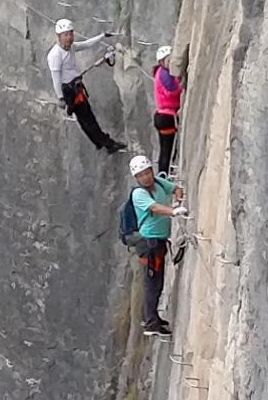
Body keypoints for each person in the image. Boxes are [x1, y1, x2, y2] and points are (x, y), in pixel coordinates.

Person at [46, 19, 119, 156]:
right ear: (59, 36)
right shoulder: (55, 55)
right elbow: (56, 78)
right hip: (69, 91)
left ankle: (100, 142)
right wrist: (60, 97)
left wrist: (102, 36)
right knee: (87, 118)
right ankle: (107, 144)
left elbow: (86, 44)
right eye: (66, 35)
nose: (69, 37)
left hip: (75, 86)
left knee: (85, 118)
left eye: (70, 34)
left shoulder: (71, 47)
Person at [124, 157, 178, 335]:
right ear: (136, 177)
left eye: (147, 172)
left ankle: (153, 318)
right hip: (150, 242)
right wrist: (173, 211)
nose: (146, 177)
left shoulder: (159, 183)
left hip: (159, 240)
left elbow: (176, 188)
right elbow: (154, 208)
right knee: (152, 282)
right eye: (141, 175)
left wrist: (178, 200)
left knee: (157, 280)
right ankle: (150, 322)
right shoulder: (138, 194)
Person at [151, 46, 184, 171]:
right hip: (167, 117)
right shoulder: (165, 74)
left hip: (163, 116)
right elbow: (172, 90)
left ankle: (163, 174)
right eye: (168, 60)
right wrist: (184, 85)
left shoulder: (162, 72)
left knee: (166, 150)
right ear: (161, 62)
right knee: (168, 150)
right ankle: (164, 176)